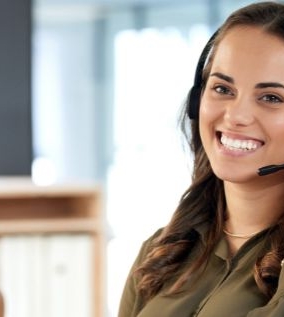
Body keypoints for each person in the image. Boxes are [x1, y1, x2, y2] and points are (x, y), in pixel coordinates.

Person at [118, 2, 284, 316]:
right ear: (198, 99)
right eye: (222, 88)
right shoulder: (162, 251)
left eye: (271, 97)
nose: (235, 116)